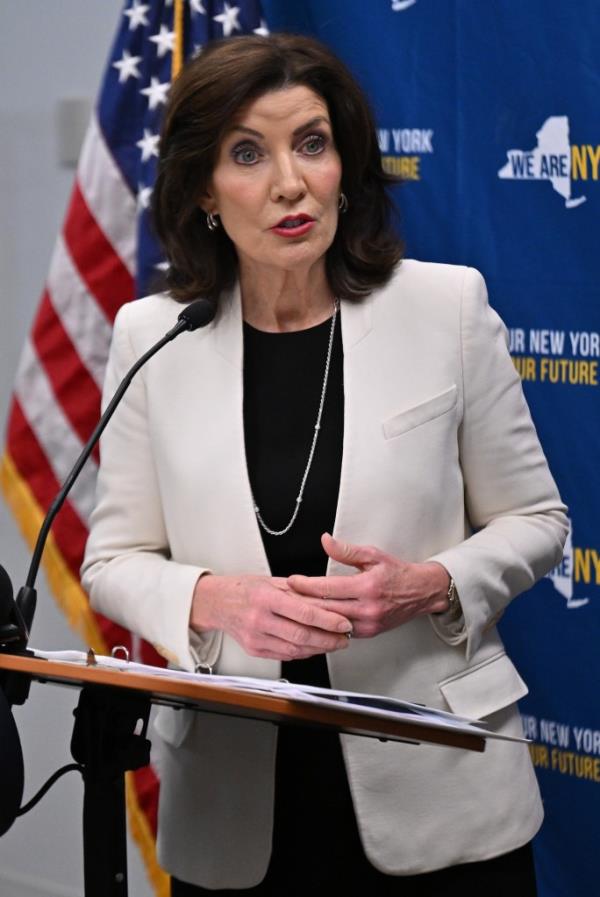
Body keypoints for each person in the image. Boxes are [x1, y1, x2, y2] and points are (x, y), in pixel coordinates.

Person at [81, 33, 568, 897]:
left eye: (312, 142)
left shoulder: (445, 307)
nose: (289, 183)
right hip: (236, 800)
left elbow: (537, 522)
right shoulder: (149, 336)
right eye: (246, 154)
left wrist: (431, 584)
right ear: (202, 189)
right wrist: (212, 599)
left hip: (440, 790)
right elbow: (113, 560)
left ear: (345, 163)